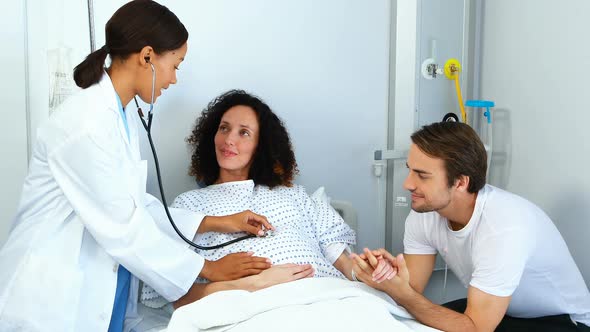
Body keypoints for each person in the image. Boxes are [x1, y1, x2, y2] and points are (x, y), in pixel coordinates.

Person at [0, 2, 310, 331]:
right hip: (49, 301)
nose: (175, 79)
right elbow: (125, 227)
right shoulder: (85, 125)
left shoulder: (118, 119)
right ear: (147, 56)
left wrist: (216, 222)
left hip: (98, 299)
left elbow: (135, 204)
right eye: (175, 65)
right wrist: (209, 268)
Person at [140, 89, 395, 309]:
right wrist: (249, 286)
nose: (229, 140)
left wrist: (367, 272)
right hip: (251, 307)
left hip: (328, 298)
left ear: (261, 146)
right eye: (224, 128)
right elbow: (176, 296)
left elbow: (345, 264)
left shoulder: (295, 195)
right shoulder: (189, 205)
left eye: (244, 133)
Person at [350, 121, 590, 332]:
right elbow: (412, 288)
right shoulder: (425, 212)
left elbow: (476, 328)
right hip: (499, 313)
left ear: (461, 182)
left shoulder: (504, 226)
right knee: (406, 323)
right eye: (409, 171)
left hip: (561, 321)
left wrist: (404, 293)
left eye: (422, 176)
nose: (408, 184)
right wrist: (389, 277)